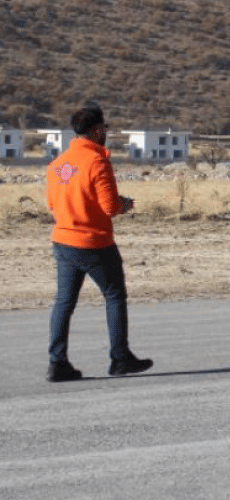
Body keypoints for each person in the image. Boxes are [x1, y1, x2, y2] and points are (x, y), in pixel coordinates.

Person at [45, 107, 152, 382]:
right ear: (97, 131)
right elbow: (109, 207)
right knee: (114, 295)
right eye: (104, 128)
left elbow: (53, 204)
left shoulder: (58, 164)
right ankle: (120, 358)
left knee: (64, 303)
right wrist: (124, 204)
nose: (106, 133)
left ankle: (57, 363)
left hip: (63, 240)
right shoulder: (97, 162)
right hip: (93, 241)